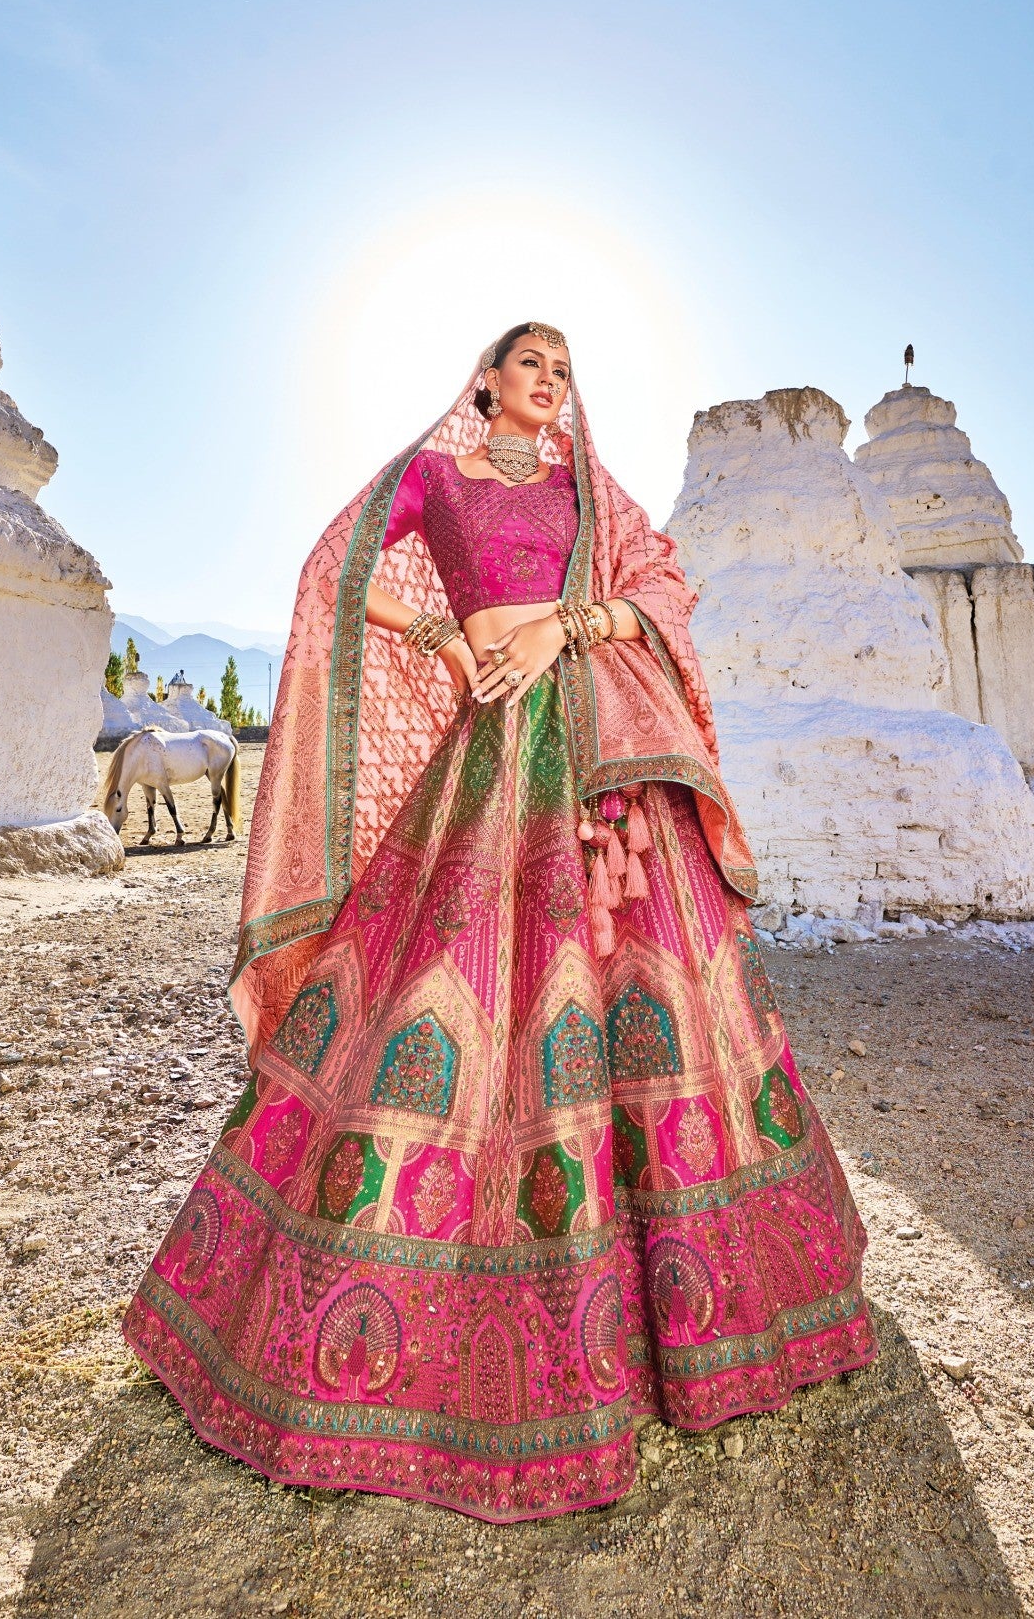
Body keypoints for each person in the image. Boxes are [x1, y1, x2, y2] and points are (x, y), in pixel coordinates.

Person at [121, 322, 876, 1523]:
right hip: (490, 756)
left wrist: (565, 628)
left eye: (566, 368)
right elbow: (335, 576)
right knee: (439, 990)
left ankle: (692, 1318)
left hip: (599, 757)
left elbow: (662, 583)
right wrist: (435, 632)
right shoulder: (432, 476)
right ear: (484, 379)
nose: (552, 382)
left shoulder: (589, 486)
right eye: (532, 362)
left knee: (644, 994)